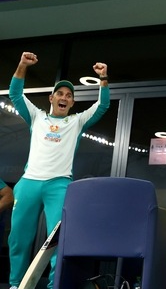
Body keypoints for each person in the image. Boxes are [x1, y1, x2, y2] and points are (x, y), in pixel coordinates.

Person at [8, 52, 110, 289]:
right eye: (60, 94)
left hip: (59, 184)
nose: (64, 98)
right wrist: (22, 64)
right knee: (18, 238)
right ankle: (16, 284)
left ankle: (56, 284)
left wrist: (103, 79)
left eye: (69, 96)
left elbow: (103, 105)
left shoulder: (77, 121)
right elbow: (15, 94)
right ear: (51, 98)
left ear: (72, 103)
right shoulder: (37, 116)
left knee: (58, 239)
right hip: (29, 182)